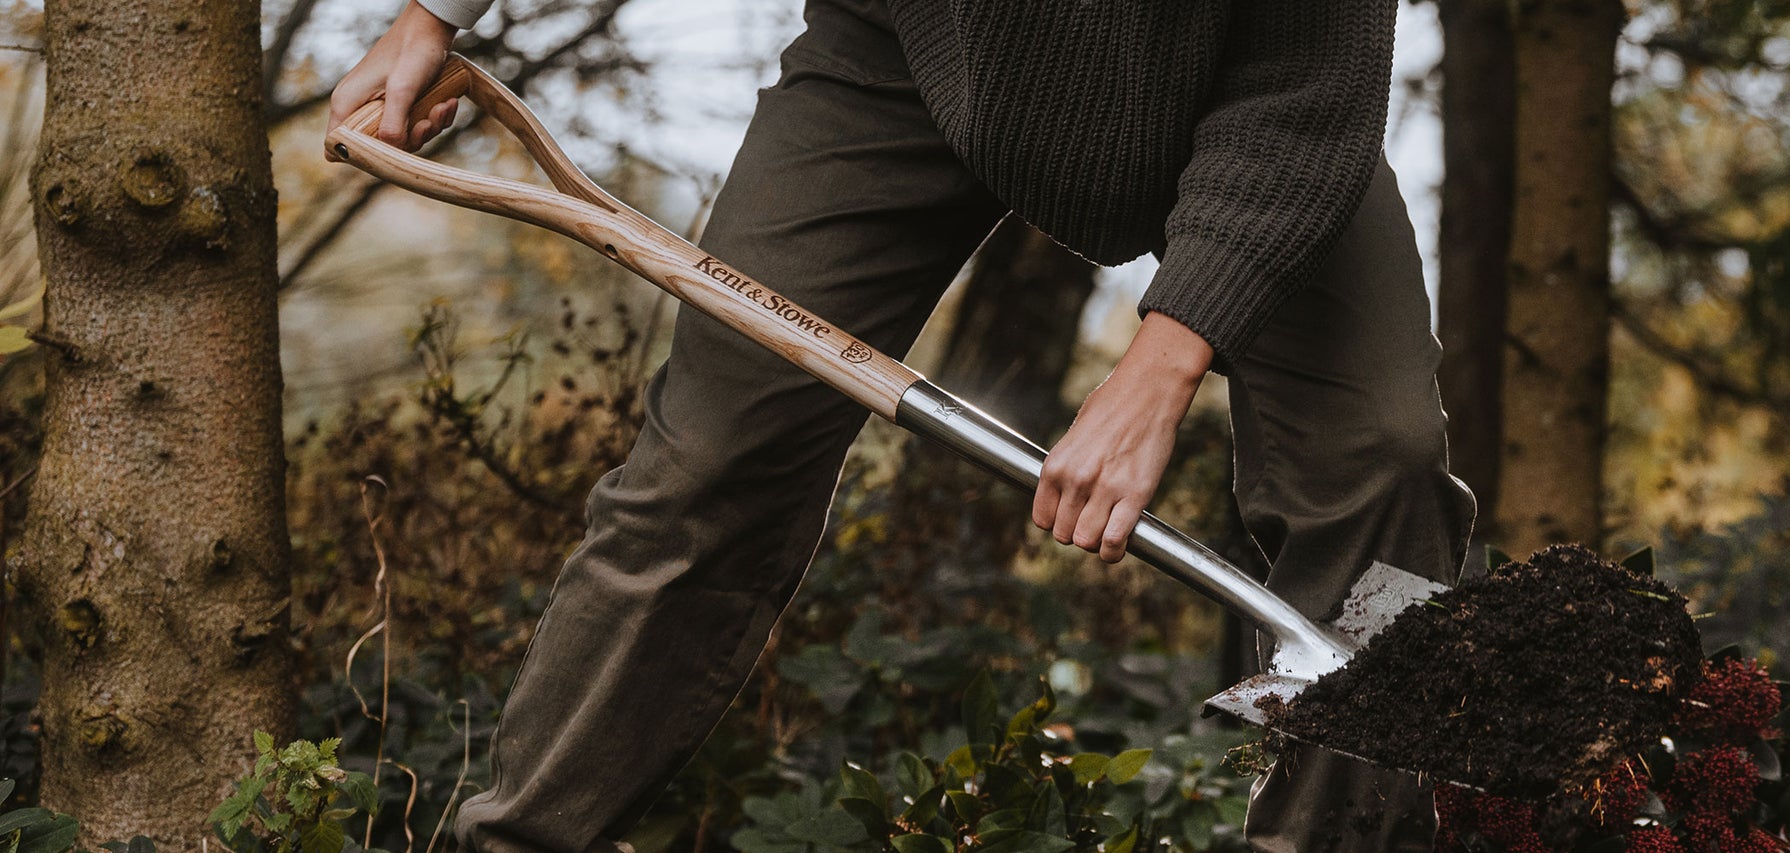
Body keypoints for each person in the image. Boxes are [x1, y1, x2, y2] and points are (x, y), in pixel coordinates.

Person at [329, 1, 1476, 851]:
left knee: (1381, 460)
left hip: (1253, 98)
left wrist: (1162, 364)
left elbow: (1311, 88)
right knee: (708, 463)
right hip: (910, 47)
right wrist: (433, 14)